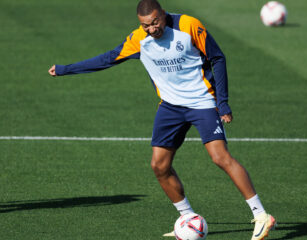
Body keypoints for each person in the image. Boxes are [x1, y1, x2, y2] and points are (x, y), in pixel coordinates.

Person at [48, 0, 276, 239]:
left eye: (155, 22)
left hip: (202, 102)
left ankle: (261, 215)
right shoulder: (138, 40)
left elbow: (217, 58)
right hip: (170, 107)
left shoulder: (188, 26)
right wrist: (66, 69)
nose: (151, 29)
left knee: (220, 157)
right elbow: (107, 59)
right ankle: (187, 216)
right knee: (159, 165)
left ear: (163, 15)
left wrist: (223, 102)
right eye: (145, 25)